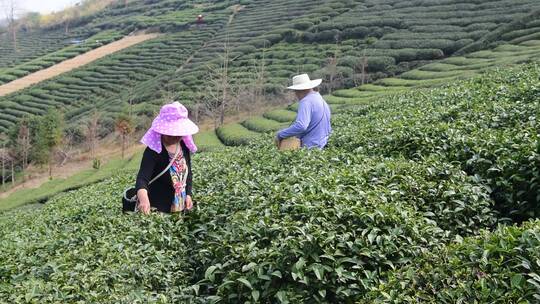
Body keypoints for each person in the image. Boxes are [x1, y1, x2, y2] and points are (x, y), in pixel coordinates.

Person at [135, 102, 199, 214]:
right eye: (170, 134)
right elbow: (142, 179)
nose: (175, 137)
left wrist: (188, 194)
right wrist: (144, 200)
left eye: (178, 134)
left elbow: (188, 173)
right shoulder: (153, 150)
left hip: (180, 205)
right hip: (158, 209)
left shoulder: (183, 146)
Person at [276, 74, 332, 149]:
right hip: (322, 144)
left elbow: (301, 126)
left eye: (295, 91)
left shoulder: (306, 101)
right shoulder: (319, 98)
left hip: (311, 148)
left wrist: (280, 134)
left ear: (298, 90)